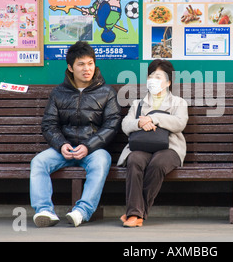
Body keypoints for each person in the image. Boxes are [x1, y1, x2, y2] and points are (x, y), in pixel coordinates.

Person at [30, 41, 121, 227]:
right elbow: (49, 124)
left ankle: (82, 211)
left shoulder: (106, 92)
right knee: (38, 162)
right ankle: (45, 211)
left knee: (102, 162)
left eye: (90, 63)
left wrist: (88, 146)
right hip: (64, 148)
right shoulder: (58, 93)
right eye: (81, 64)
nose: (86, 69)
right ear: (70, 67)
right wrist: (61, 144)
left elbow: (112, 124)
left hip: (94, 149)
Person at [117, 59, 188, 227]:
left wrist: (154, 118)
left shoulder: (178, 102)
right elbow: (125, 125)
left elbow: (179, 123)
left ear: (168, 82)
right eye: (150, 76)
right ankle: (136, 214)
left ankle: (134, 213)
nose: (153, 80)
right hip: (142, 145)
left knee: (157, 164)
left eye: (158, 77)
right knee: (134, 160)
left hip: (170, 147)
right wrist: (139, 123)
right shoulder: (137, 104)